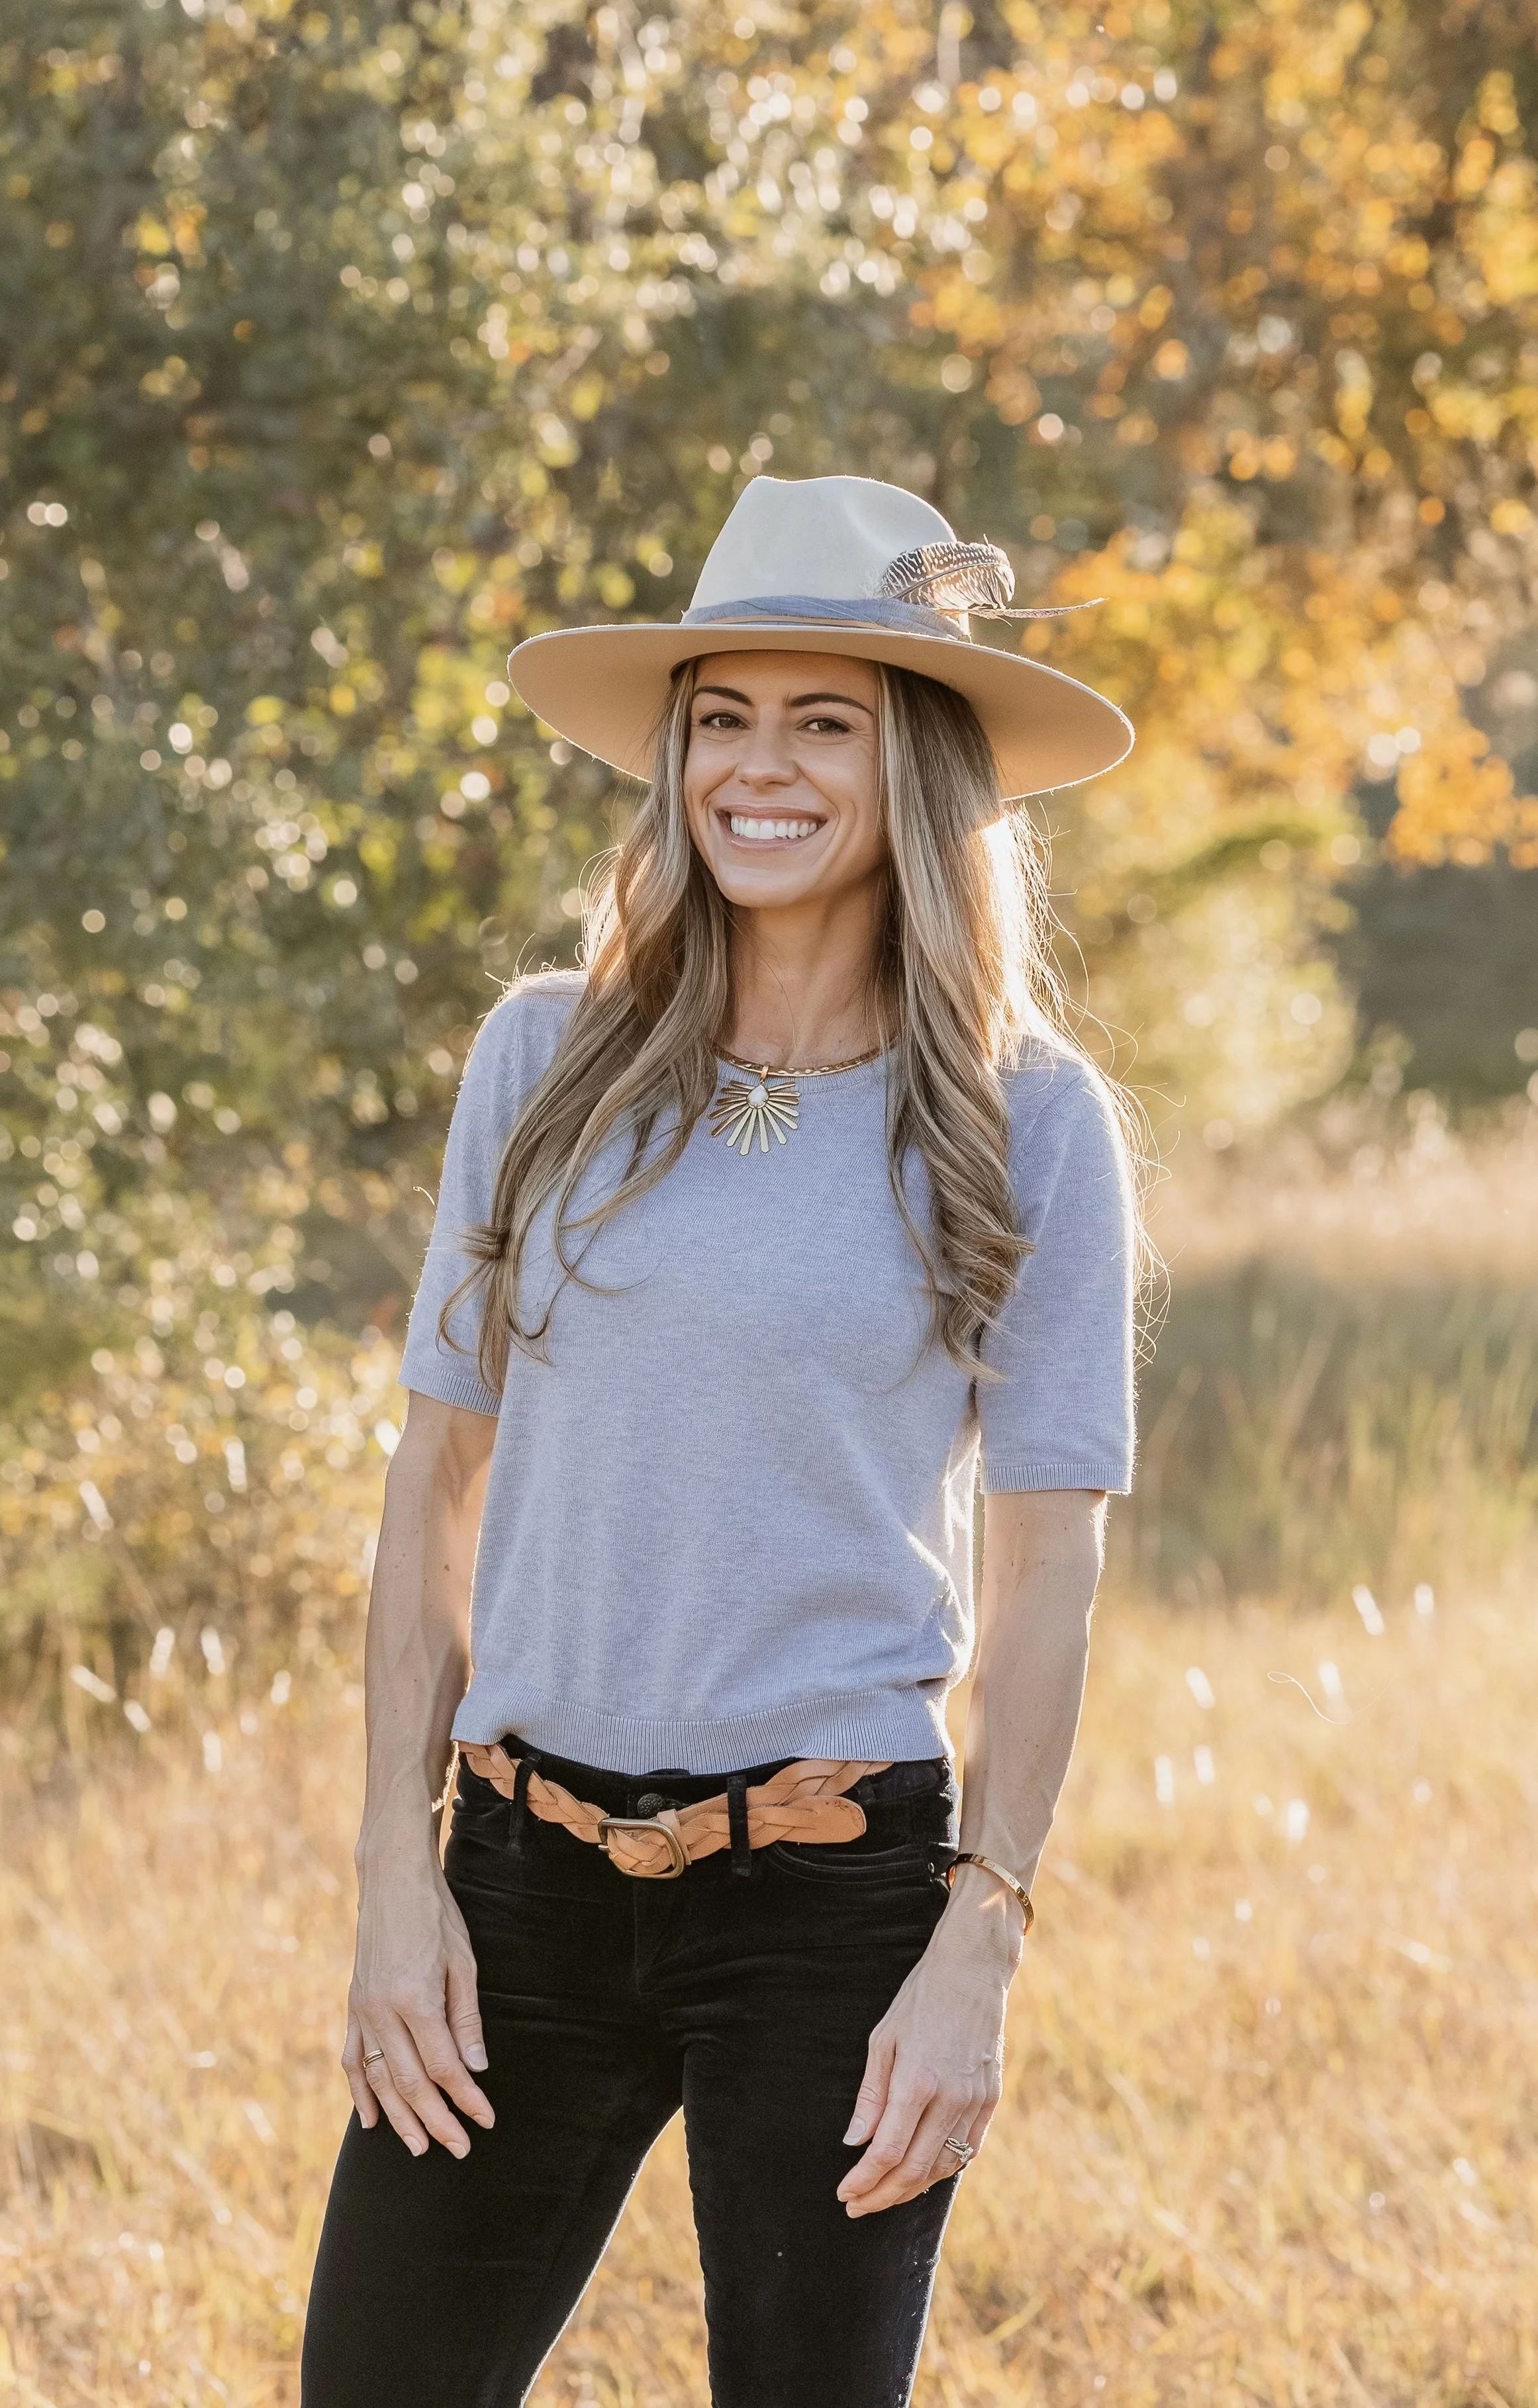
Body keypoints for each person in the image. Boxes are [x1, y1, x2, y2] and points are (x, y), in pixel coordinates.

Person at [300, 473, 1139, 2408]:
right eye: (720, 717)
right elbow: (435, 1487)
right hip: (517, 1872)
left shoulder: (1029, 1124)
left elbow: (1047, 1561)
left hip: (830, 1896)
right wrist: (392, 1871)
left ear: (915, 767)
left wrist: (978, 1944)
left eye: (822, 718)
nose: (758, 768)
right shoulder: (539, 1060)